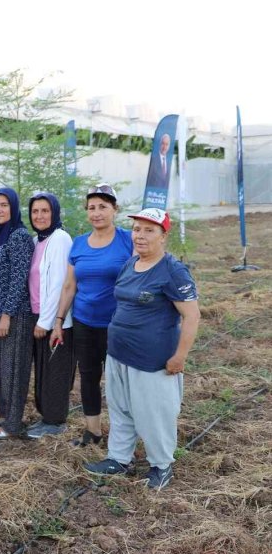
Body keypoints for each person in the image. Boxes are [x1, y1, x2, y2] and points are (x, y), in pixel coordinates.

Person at [85, 208, 199, 489]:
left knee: (153, 414)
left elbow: (192, 316)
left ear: (163, 236)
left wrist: (180, 356)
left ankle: (161, 465)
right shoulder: (131, 263)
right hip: (120, 353)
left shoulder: (172, 271)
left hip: (152, 360)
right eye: (137, 229)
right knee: (121, 409)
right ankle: (118, 459)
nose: (141, 235)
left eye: (149, 230)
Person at [51, 184, 133, 446]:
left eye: (103, 207)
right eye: (92, 208)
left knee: (119, 381)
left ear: (114, 210)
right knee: (88, 376)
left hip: (118, 324)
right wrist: (59, 321)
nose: (97, 213)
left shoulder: (127, 240)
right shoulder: (78, 244)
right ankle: (93, 432)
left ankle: (123, 436)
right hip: (86, 322)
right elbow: (69, 286)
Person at [0, 188, 35, 439]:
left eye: (4, 205)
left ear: (13, 208)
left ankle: (14, 424)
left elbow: (19, 278)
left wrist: (7, 314)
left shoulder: (19, 236)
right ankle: (5, 415)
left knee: (12, 369)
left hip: (13, 314)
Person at [25, 192, 75, 439]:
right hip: (37, 316)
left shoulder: (60, 239)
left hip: (56, 321)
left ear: (54, 213)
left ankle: (55, 422)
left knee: (56, 370)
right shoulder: (37, 241)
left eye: (45, 211)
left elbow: (58, 283)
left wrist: (46, 321)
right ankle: (47, 416)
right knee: (43, 369)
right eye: (35, 211)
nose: (40, 216)